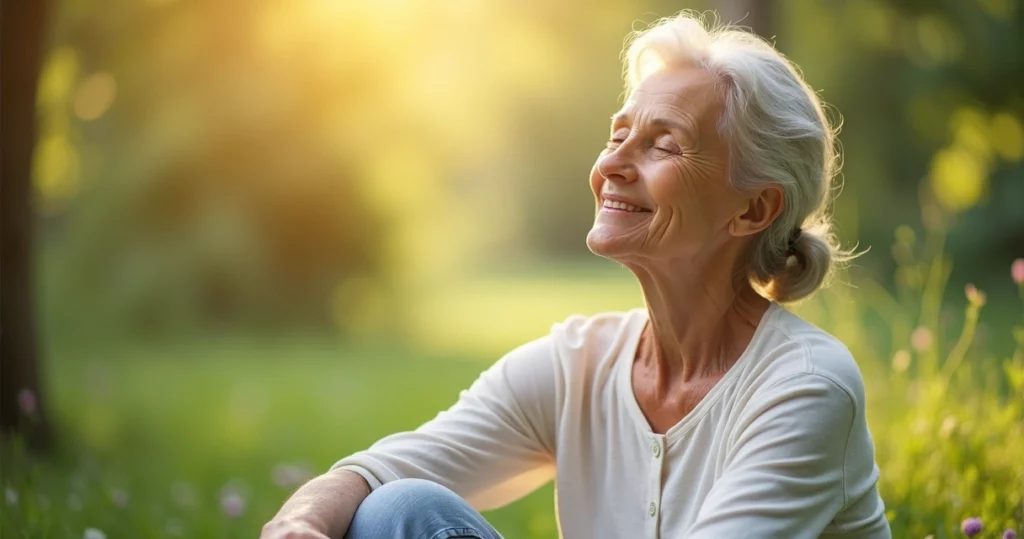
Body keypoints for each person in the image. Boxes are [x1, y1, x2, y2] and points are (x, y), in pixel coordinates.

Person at [262, 11, 891, 539]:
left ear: (753, 208)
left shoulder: (804, 387)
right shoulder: (579, 364)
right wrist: (300, 527)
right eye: (618, 134)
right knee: (397, 509)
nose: (614, 162)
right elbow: (380, 471)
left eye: (663, 143)